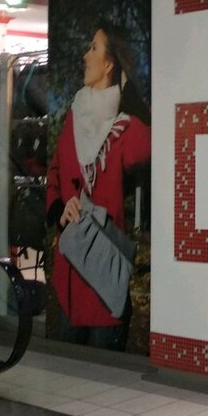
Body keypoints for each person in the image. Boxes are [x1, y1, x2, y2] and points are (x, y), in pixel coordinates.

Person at [47, 22, 150, 351]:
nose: (85, 55)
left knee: (105, 372)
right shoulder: (73, 117)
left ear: (109, 64)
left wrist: (129, 91)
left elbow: (154, 142)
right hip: (72, 269)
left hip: (104, 278)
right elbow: (55, 173)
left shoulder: (125, 129)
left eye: (93, 48)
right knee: (66, 368)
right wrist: (60, 208)